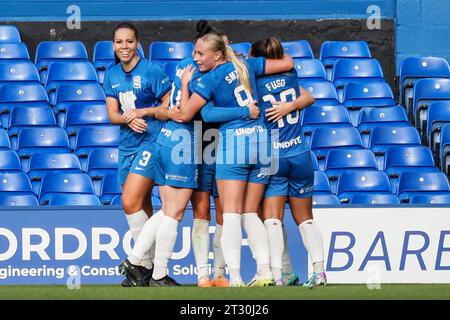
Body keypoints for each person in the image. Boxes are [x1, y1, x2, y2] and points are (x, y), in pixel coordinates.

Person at [118, 22, 254, 287]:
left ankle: (142, 266)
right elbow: (186, 113)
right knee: (174, 213)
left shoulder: (185, 64)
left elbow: (172, 108)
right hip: (186, 141)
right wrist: (243, 111)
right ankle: (145, 267)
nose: (226, 56)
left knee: (169, 210)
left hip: (169, 138)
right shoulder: (206, 75)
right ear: (212, 51)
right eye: (223, 50)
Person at [177, 32, 295, 287]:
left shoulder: (208, 79)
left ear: (217, 54)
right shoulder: (246, 64)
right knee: (250, 212)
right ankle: (265, 273)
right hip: (262, 143)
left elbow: (187, 114)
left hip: (235, 145)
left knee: (231, 214)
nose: (195, 58)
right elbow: (288, 62)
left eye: (200, 53)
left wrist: (186, 84)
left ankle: (236, 277)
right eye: (195, 52)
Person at [249, 37, 327, 287]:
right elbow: (309, 97)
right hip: (299, 153)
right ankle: (320, 272)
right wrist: (291, 105)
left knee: (272, 218)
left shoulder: (254, 82)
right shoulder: (292, 75)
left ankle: (278, 275)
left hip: (273, 155)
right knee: (305, 218)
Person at [104, 22, 173, 287]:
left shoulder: (151, 71)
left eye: (129, 42)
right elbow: (112, 115)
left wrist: (144, 113)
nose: (124, 47)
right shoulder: (111, 74)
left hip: (151, 142)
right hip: (127, 145)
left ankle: (140, 263)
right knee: (141, 206)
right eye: (119, 42)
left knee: (129, 200)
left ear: (137, 43)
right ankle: (151, 271)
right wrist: (127, 119)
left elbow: (170, 105)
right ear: (113, 45)